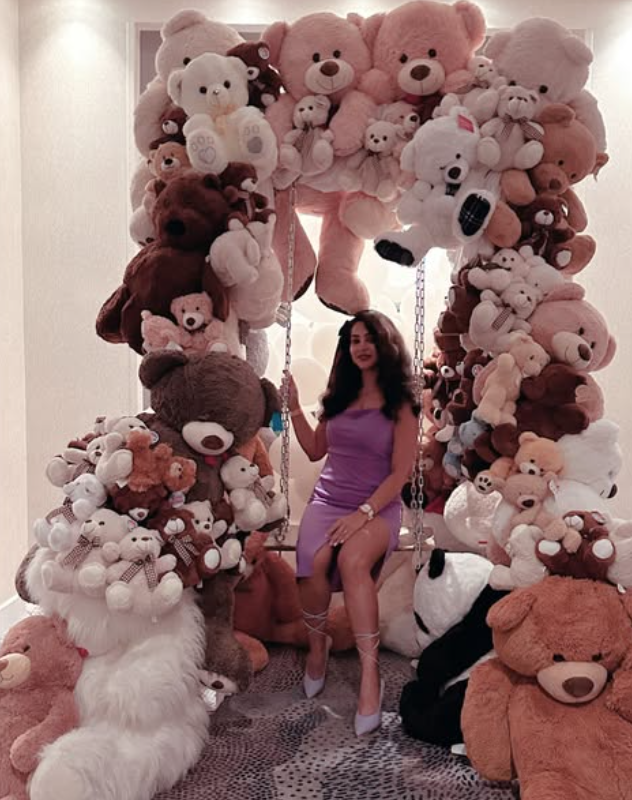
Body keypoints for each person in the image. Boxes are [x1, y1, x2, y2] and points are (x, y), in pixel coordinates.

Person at [288, 309, 418, 736]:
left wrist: (362, 513)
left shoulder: (402, 403)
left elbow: (400, 473)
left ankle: (369, 675)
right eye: (354, 339)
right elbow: (312, 450)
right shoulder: (339, 397)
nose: (361, 346)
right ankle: (317, 647)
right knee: (311, 560)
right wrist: (292, 407)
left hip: (377, 505)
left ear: (386, 345)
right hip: (329, 498)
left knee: (353, 562)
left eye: (369, 338)